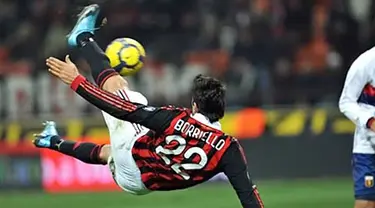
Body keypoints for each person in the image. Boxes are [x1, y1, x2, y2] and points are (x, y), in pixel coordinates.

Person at [34, 4, 264, 208]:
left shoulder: (176, 119)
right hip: (138, 184)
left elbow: (122, 109)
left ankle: (83, 39)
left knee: (119, 89)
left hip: (133, 162)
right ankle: (51, 140)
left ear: (194, 105)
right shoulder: (229, 149)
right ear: (221, 111)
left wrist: (77, 82)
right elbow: (249, 196)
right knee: (108, 152)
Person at [339, 46, 375, 208]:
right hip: (369, 148)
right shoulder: (365, 62)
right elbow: (346, 102)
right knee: (367, 202)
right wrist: (371, 121)